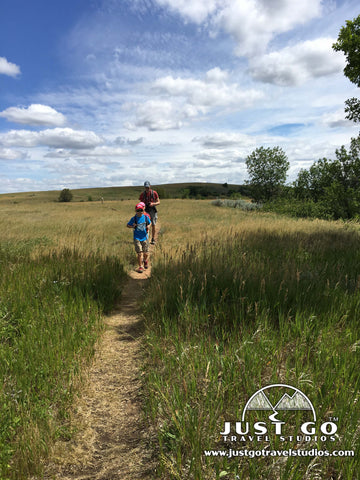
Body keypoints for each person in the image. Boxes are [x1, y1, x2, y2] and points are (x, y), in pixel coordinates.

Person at [127, 203, 151, 273]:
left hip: (145, 237)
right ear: (136, 211)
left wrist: (148, 226)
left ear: (143, 210)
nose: (140, 212)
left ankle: (145, 260)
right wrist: (132, 226)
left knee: (146, 253)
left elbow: (150, 223)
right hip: (137, 237)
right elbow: (128, 225)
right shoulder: (133, 219)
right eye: (138, 210)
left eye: (141, 210)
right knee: (139, 253)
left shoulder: (146, 218)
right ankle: (140, 266)